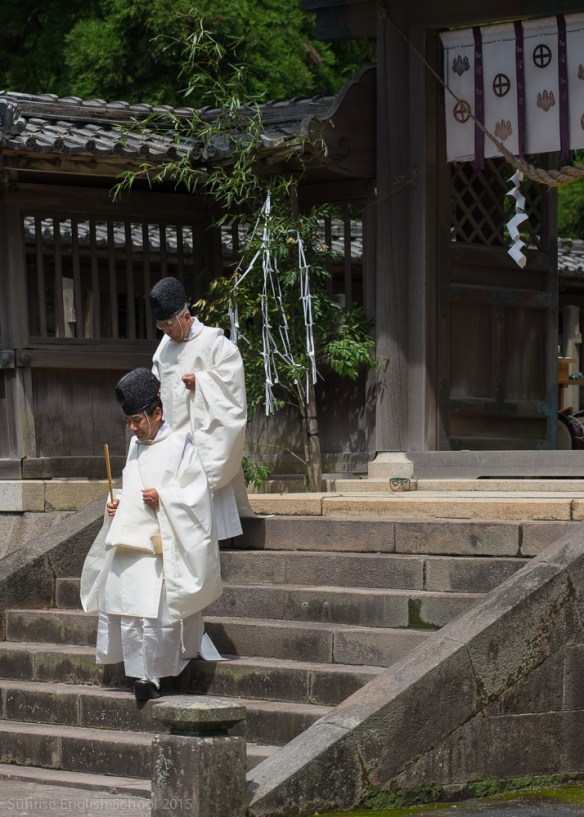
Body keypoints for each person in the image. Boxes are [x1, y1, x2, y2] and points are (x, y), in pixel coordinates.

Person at [80, 367, 223, 702]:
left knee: (154, 614)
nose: (133, 428)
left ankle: (154, 675)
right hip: (130, 541)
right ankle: (138, 672)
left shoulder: (180, 444)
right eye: (129, 421)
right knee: (128, 611)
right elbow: (129, 486)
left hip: (159, 543)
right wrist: (113, 506)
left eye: (138, 421)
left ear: (157, 413)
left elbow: (197, 494)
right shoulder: (135, 446)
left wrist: (165, 498)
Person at [149, 276, 252, 541]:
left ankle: (218, 540)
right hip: (174, 428)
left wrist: (202, 382)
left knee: (205, 477)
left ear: (185, 315)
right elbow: (157, 374)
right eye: (161, 326)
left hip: (203, 430)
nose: (166, 331)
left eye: (169, 324)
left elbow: (232, 380)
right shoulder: (164, 346)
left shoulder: (213, 341)